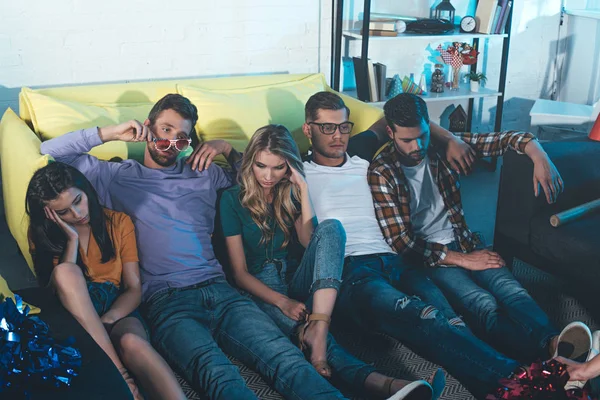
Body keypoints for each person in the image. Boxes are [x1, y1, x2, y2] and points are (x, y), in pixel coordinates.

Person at [39, 94, 351, 400]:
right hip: (166, 300)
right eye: (165, 130)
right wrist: (111, 133)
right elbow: (51, 152)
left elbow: (257, 176)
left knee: (285, 358)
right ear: (148, 125)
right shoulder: (115, 176)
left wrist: (226, 148)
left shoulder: (205, 173)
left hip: (221, 289)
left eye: (182, 137)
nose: (171, 143)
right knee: (218, 374)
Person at [300, 91, 529, 399]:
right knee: (424, 317)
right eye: (327, 127)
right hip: (352, 271)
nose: (338, 135)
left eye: (343, 126)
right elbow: (254, 162)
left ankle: (498, 386)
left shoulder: (360, 150)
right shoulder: (296, 168)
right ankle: (519, 381)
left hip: (397, 257)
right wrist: (221, 146)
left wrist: (449, 139)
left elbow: (400, 114)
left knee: (451, 320)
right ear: (307, 129)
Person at [219, 124, 442, 399]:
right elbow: (239, 273)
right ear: (251, 160)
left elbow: (308, 240)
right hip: (261, 287)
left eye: (278, 168)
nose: (268, 176)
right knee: (308, 337)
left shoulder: (289, 191)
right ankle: (386, 385)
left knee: (332, 227)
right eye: (261, 166)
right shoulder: (231, 199)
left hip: (295, 275)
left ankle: (320, 327)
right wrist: (282, 302)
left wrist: (301, 187)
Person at [367, 93, 563, 363]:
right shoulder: (382, 171)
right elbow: (401, 242)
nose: (416, 146)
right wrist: (465, 261)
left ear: (429, 126)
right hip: (430, 258)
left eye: (422, 135)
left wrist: (539, 155)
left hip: (464, 240)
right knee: (483, 305)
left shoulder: (443, 148)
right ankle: (538, 365)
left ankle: (556, 345)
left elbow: (506, 139)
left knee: (512, 290)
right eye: (406, 140)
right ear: (390, 132)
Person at [25, 162, 185, 400]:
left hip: (116, 307)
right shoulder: (44, 235)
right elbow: (52, 291)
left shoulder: (118, 222)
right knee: (65, 273)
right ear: (49, 215)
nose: (77, 214)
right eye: (63, 212)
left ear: (86, 190)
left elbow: (133, 289)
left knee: (133, 342)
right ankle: (122, 379)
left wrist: (108, 319)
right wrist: (71, 241)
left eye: (78, 201)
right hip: (71, 315)